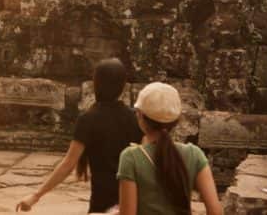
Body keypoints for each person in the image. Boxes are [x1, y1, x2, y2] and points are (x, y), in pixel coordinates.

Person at [17, 59, 142, 213]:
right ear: (123, 86)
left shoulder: (88, 119)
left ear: (96, 84)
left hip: (103, 200)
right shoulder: (135, 118)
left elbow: (68, 164)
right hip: (133, 198)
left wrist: (36, 196)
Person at [117, 82, 222, 215]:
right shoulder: (194, 154)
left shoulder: (130, 157)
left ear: (140, 116)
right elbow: (215, 211)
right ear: (177, 120)